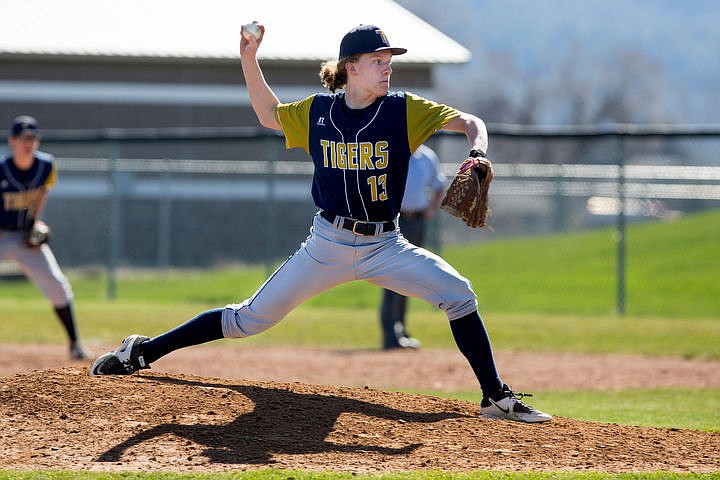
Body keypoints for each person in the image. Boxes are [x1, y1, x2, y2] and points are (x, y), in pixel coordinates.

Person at [89, 23, 552, 423]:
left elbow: (470, 121)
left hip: (386, 245)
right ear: (352, 67)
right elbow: (269, 114)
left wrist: (478, 151)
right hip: (326, 243)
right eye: (378, 61)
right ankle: (142, 351)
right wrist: (249, 58)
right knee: (248, 320)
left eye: (389, 60)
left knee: (459, 294)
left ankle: (494, 395)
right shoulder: (318, 112)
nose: (388, 68)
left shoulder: (403, 110)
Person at [1, 115, 90, 360]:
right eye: (23, 138)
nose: (28, 143)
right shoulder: (1, 169)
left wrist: (36, 222)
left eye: (32, 138)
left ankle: (75, 345)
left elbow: (42, 195)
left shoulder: (46, 166)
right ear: (12, 141)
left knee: (58, 286)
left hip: (23, 237)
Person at [379, 144, 444, 349]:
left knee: (409, 278)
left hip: (417, 221)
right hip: (394, 220)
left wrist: (432, 207)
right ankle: (390, 333)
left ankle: (401, 329)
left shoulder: (426, 156)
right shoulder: (392, 151)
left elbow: (439, 184)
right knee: (392, 276)